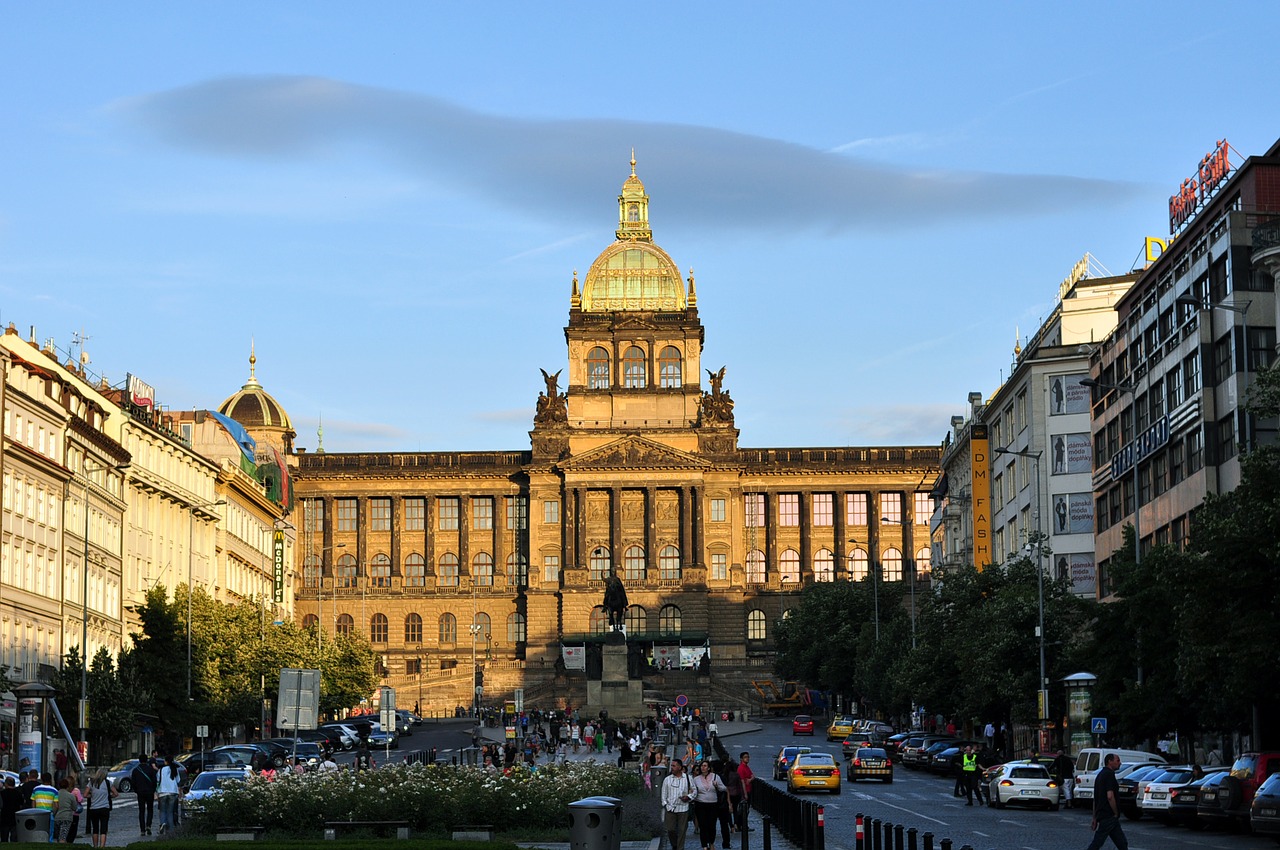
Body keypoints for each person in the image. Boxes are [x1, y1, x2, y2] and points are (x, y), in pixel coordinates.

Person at [1084, 753, 1128, 850]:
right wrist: (1116, 812)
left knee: (1122, 843)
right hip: (1108, 815)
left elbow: (1096, 799)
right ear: (1110, 761)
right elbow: (1110, 796)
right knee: (1097, 843)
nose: (1120, 763)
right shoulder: (1109, 774)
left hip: (1104, 814)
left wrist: (1095, 817)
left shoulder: (1100, 775)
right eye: (1117, 760)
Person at [691, 760, 726, 850]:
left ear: (709, 768)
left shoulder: (715, 777)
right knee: (703, 825)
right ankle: (704, 845)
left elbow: (724, 788)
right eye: (702, 766)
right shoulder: (696, 779)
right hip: (700, 804)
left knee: (711, 825)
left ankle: (711, 842)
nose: (703, 767)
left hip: (712, 804)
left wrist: (717, 785)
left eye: (705, 766)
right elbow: (693, 791)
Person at [661, 758, 694, 850]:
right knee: (670, 829)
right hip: (670, 808)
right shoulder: (667, 779)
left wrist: (688, 797)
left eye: (674, 766)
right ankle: (674, 844)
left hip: (683, 808)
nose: (672, 768)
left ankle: (680, 848)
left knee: (682, 830)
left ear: (680, 767)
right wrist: (666, 804)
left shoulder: (688, 778)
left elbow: (694, 791)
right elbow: (663, 794)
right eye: (671, 766)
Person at [86, 766, 117, 847]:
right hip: (104, 808)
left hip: (94, 808)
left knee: (95, 829)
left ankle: (95, 846)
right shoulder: (108, 783)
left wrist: (92, 795)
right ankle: (102, 846)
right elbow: (116, 793)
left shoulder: (91, 782)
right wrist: (109, 796)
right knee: (103, 829)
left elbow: (85, 794)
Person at [131, 754, 157, 835]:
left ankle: (142, 829)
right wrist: (153, 790)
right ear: (147, 760)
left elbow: (133, 783)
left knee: (141, 811)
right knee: (150, 809)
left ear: (139, 760)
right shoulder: (150, 769)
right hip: (149, 792)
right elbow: (154, 781)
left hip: (140, 792)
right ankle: (148, 825)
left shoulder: (135, 770)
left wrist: (136, 790)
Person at [155, 756, 180, 836]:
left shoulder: (161, 770)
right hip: (173, 792)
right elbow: (178, 780)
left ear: (165, 761)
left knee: (162, 810)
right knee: (170, 811)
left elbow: (158, 780)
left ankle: (163, 823)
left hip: (163, 792)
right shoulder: (175, 769)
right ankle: (171, 830)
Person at [53, 778, 76, 844]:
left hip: (57, 817)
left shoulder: (55, 794)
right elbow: (74, 808)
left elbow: (54, 806)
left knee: (58, 837)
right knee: (63, 837)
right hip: (66, 817)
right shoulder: (71, 795)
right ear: (68, 786)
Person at [736, 753, 754, 832]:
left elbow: (753, 776)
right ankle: (741, 825)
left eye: (748, 757)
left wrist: (750, 779)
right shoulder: (741, 768)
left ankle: (742, 825)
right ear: (741, 759)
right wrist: (745, 793)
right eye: (745, 757)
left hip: (749, 789)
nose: (747, 758)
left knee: (746, 809)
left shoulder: (746, 767)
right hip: (744, 791)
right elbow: (742, 781)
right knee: (743, 809)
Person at [0, 775, 21, 842]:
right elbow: (21, 804)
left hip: (4, 817)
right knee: (14, 837)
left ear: (6, 784)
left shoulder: (2, 793)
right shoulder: (18, 793)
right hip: (15, 817)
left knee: (4, 836)